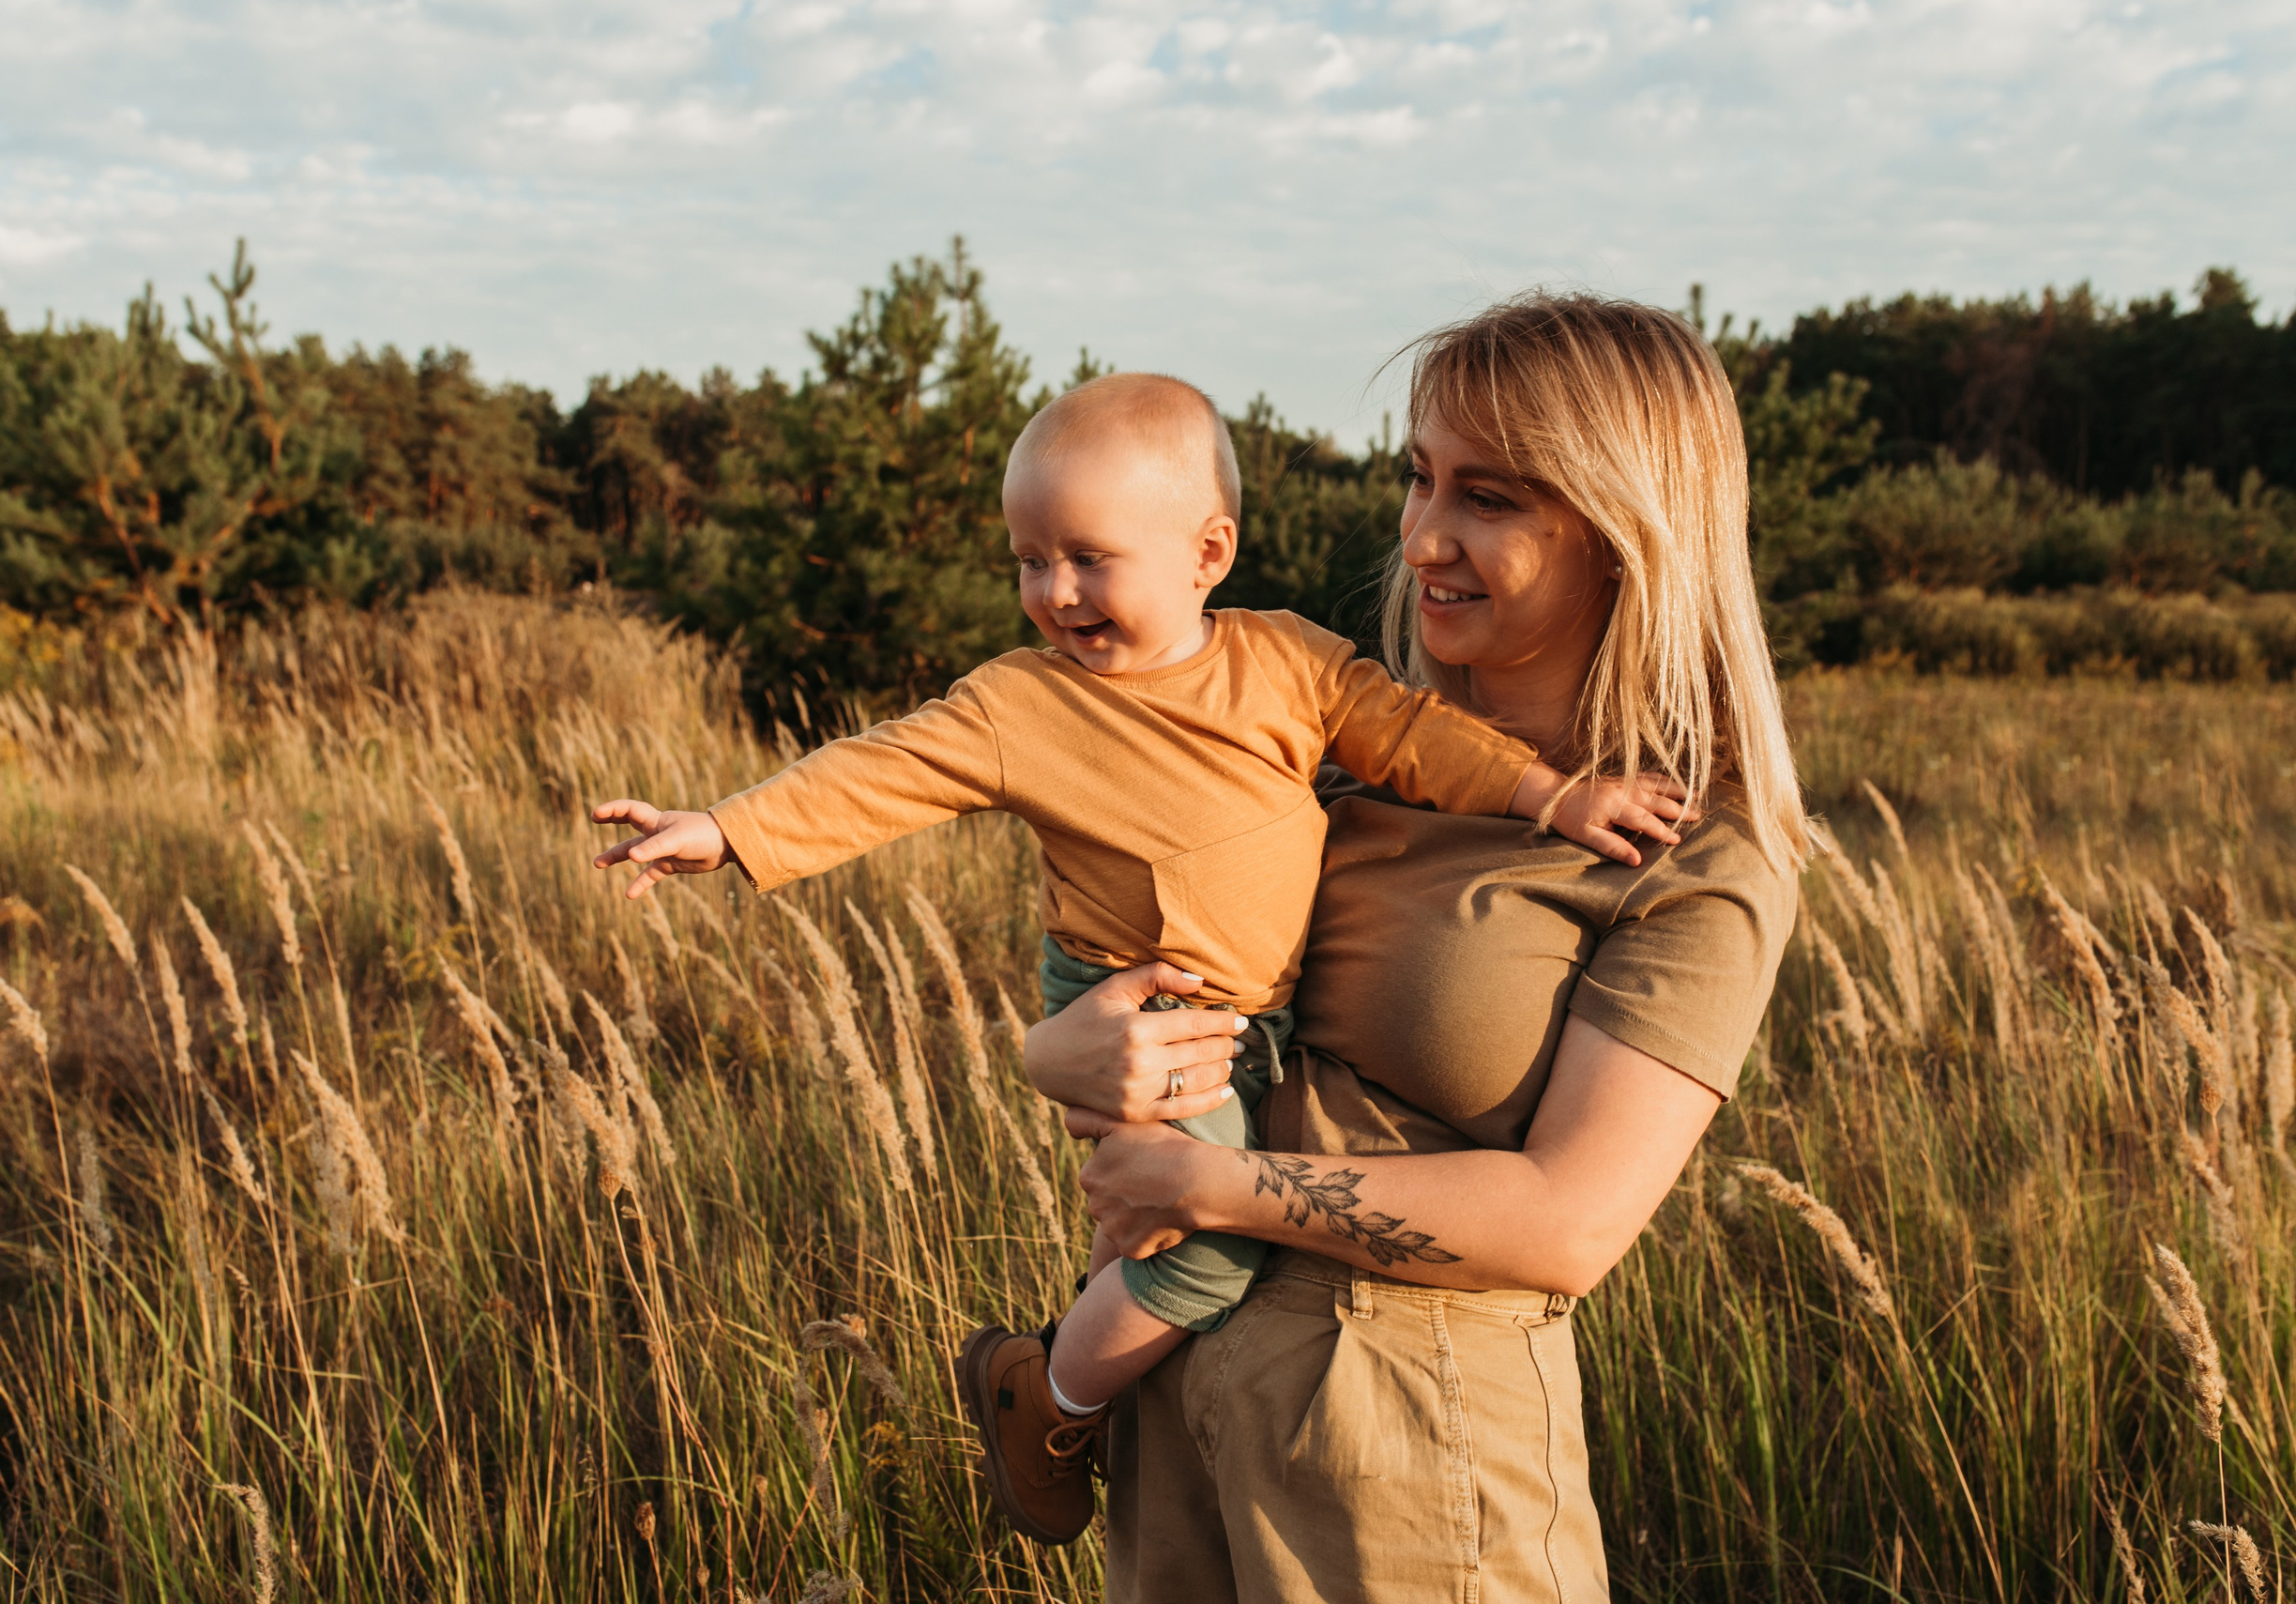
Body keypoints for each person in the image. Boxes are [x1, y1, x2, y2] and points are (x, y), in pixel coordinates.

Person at [583, 371, 1692, 1546]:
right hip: (1147, 1006)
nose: (1053, 594)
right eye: (1027, 560)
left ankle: (1082, 1369)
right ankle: (1050, 1398)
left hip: (1255, 1034)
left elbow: (1418, 741)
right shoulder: (1023, 703)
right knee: (1198, 1265)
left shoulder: (1291, 665)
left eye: (1088, 558)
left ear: (1207, 550)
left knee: (1160, 1230)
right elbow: (877, 771)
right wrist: (727, 829)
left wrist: (1554, 796)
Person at [1021, 294, 1807, 1600]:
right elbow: (1160, 1027)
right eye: (1418, 476)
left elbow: (1569, 1221)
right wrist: (1058, 1056)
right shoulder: (1328, 760)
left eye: (1488, 498)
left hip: (1411, 1452)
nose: (1423, 535)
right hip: (1184, 1414)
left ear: (1626, 533)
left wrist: (1215, 1195)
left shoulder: (1698, 852)